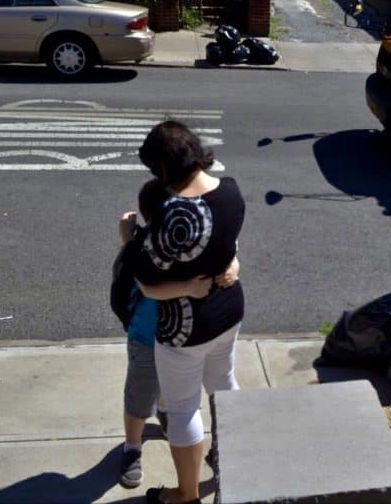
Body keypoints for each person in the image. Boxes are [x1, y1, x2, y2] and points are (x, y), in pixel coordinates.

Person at [132, 121, 246, 504]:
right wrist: (233, 264)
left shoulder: (174, 216)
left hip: (185, 329)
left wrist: (127, 240)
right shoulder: (231, 193)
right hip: (229, 314)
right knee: (224, 386)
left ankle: (185, 493)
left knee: (182, 409)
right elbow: (228, 244)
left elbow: (147, 282)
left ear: (164, 169)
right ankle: (233, 461)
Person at [114, 178, 169, 488]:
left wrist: (128, 241)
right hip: (146, 337)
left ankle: (164, 412)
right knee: (138, 397)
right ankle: (132, 447)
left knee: (168, 388)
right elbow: (141, 278)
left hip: (176, 338)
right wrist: (129, 243)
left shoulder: (186, 243)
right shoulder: (143, 248)